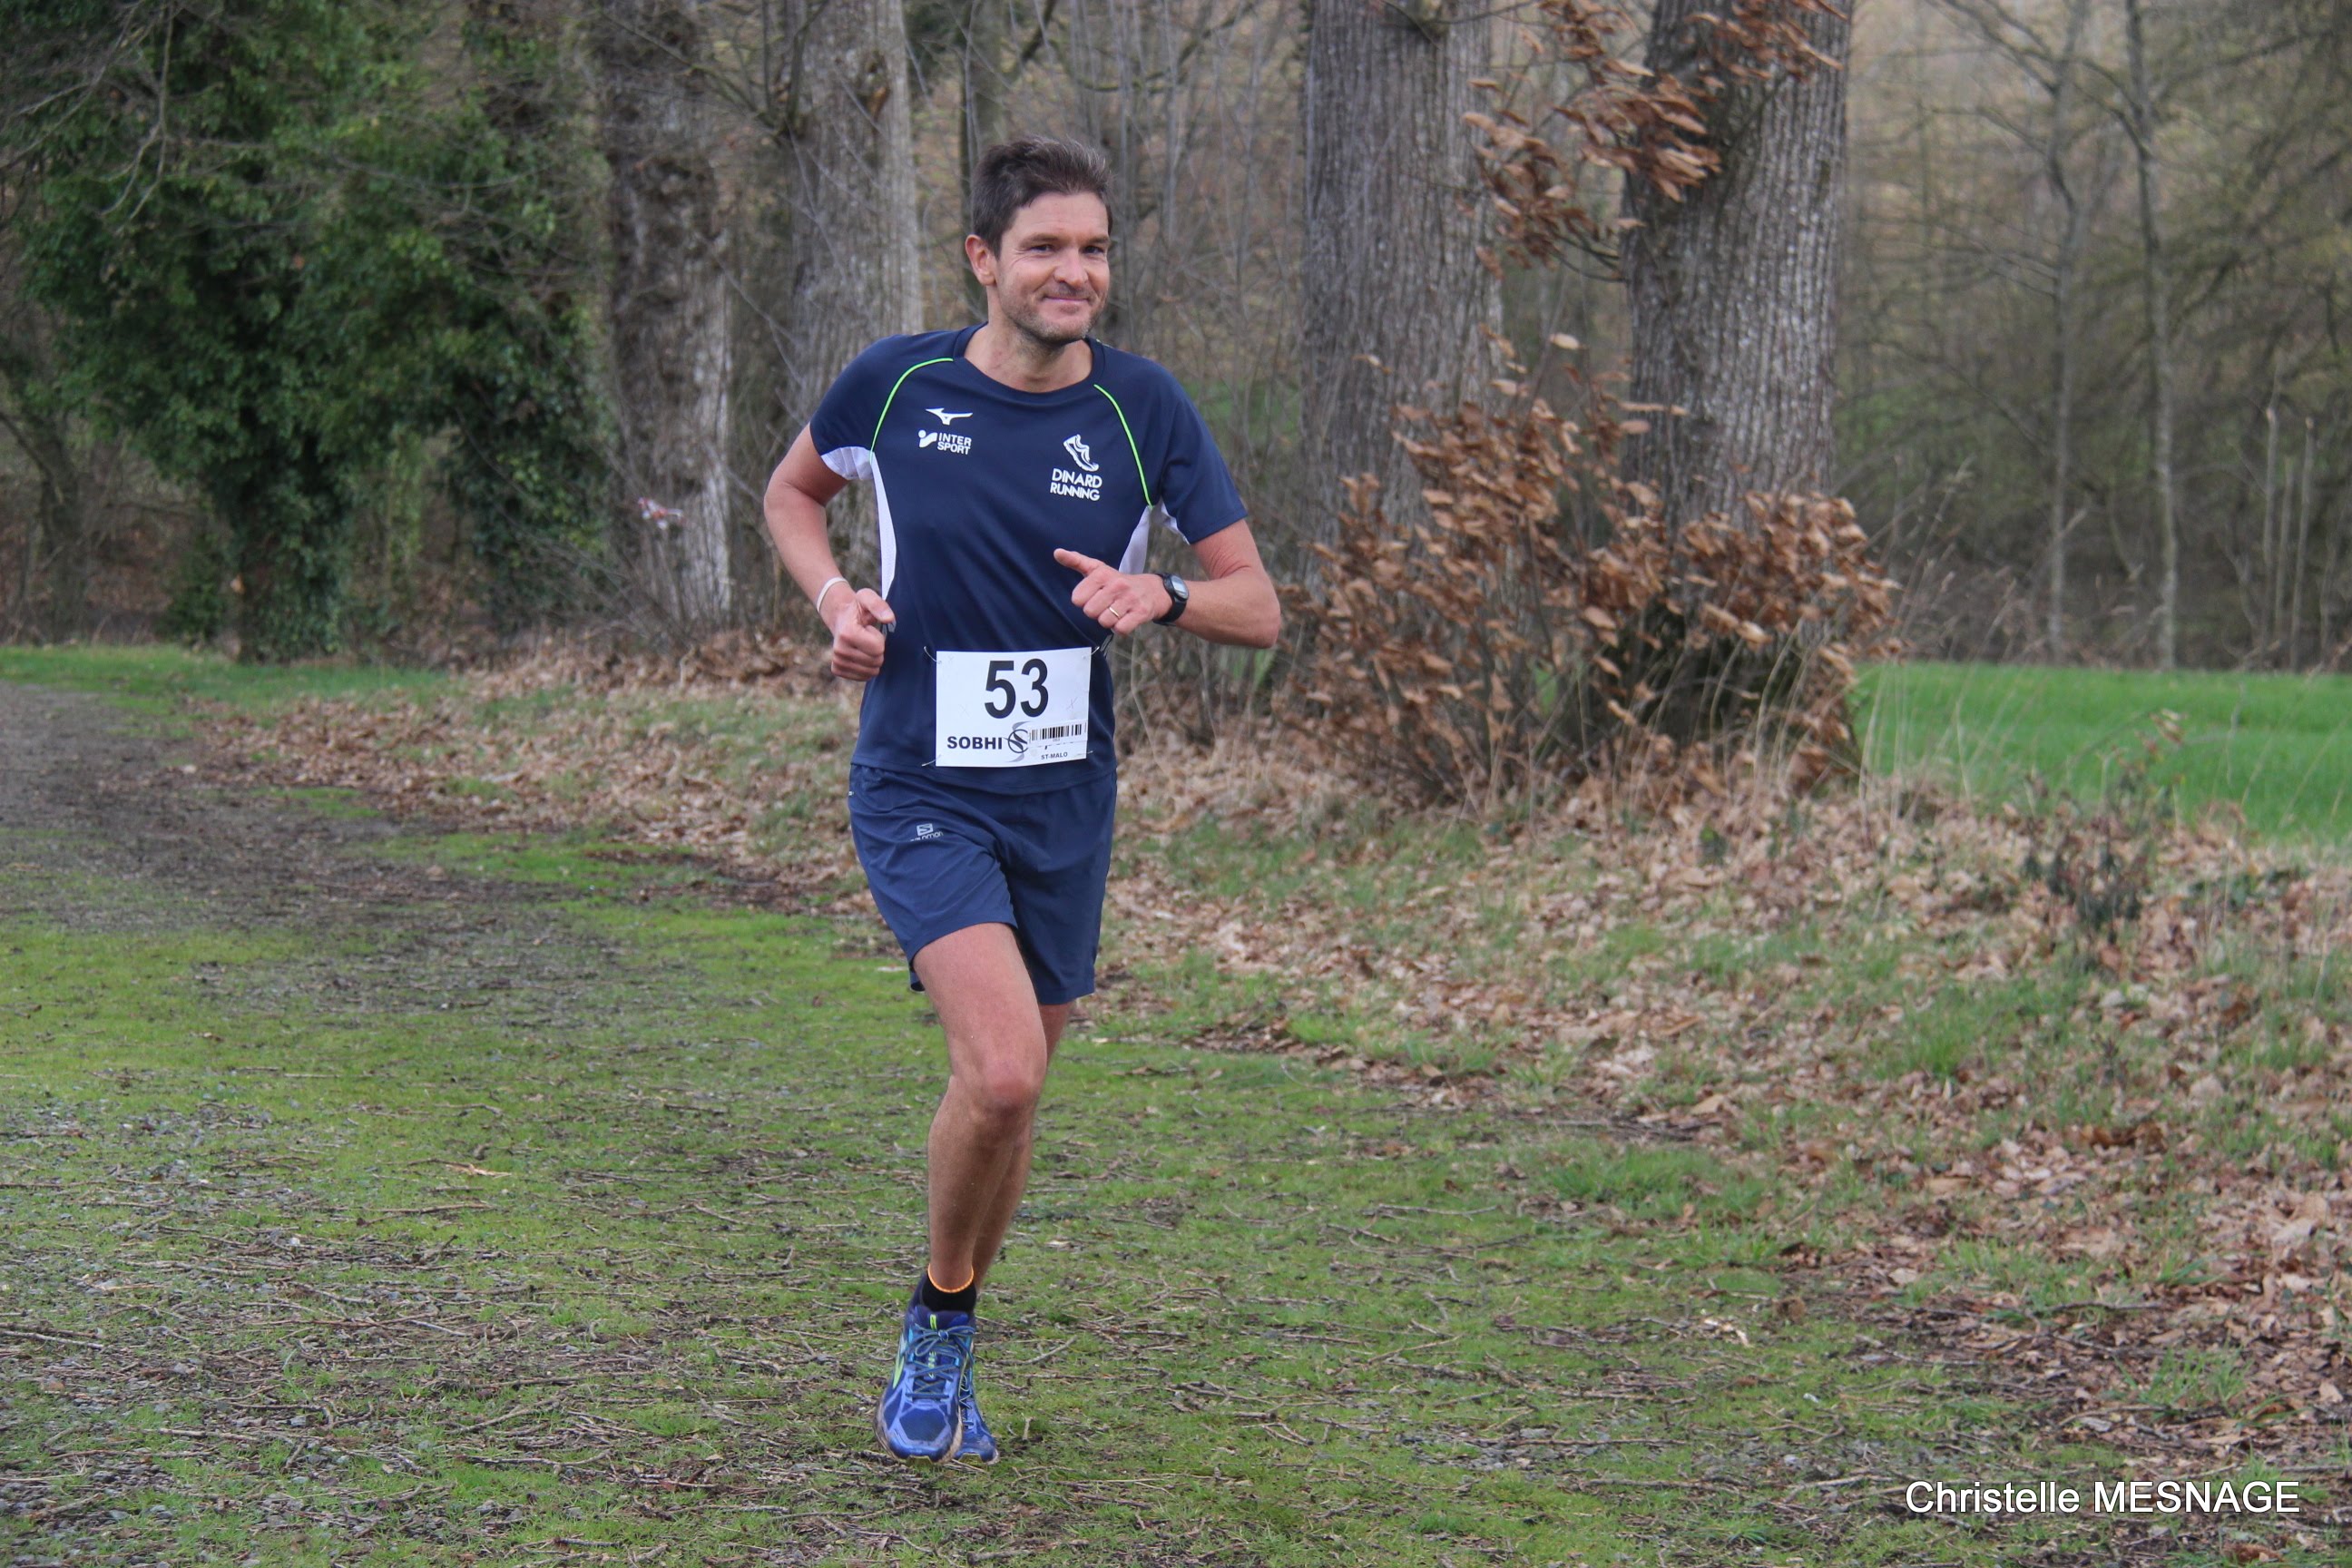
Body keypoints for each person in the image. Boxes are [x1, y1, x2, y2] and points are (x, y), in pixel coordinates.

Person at [760, 133, 1280, 1464]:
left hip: (1064, 795)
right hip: (920, 779)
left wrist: (1162, 593)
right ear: (983, 259)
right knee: (999, 1072)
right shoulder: (897, 383)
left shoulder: (1144, 409)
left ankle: (957, 1326)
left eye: (1094, 248)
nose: (1074, 272)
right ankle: (935, 1326)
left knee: (1021, 1091)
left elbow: (1257, 605)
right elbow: (793, 493)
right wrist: (838, 601)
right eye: (1044, 247)